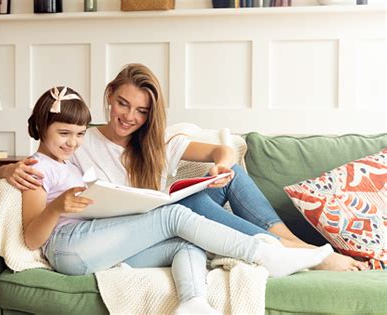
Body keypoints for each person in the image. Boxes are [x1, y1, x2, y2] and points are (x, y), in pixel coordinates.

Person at [0, 64, 367, 272]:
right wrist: (6, 172)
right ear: (109, 95)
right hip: (127, 227)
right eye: (123, 104)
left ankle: (294, 244)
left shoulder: (155, 144)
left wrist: (218, 168)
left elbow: (223, 151)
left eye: (141, 111)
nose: (129, 117)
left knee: (228, 177)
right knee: (181, 209)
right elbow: (41, 167)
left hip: (163, 211)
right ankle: (300, 254)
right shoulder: (81, 142)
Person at [19, 85, 334, 314]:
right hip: (67, 246)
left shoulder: (69, 161)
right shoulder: (37, 168)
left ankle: (193, 302)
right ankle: (266, 253)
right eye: (64, 134)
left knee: (185, 243)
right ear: (41, 127)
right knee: (174, 217)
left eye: (78, 134)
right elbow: (33, 238)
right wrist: (56, 205)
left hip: (93, 246)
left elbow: (221, 156)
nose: (73, 142)